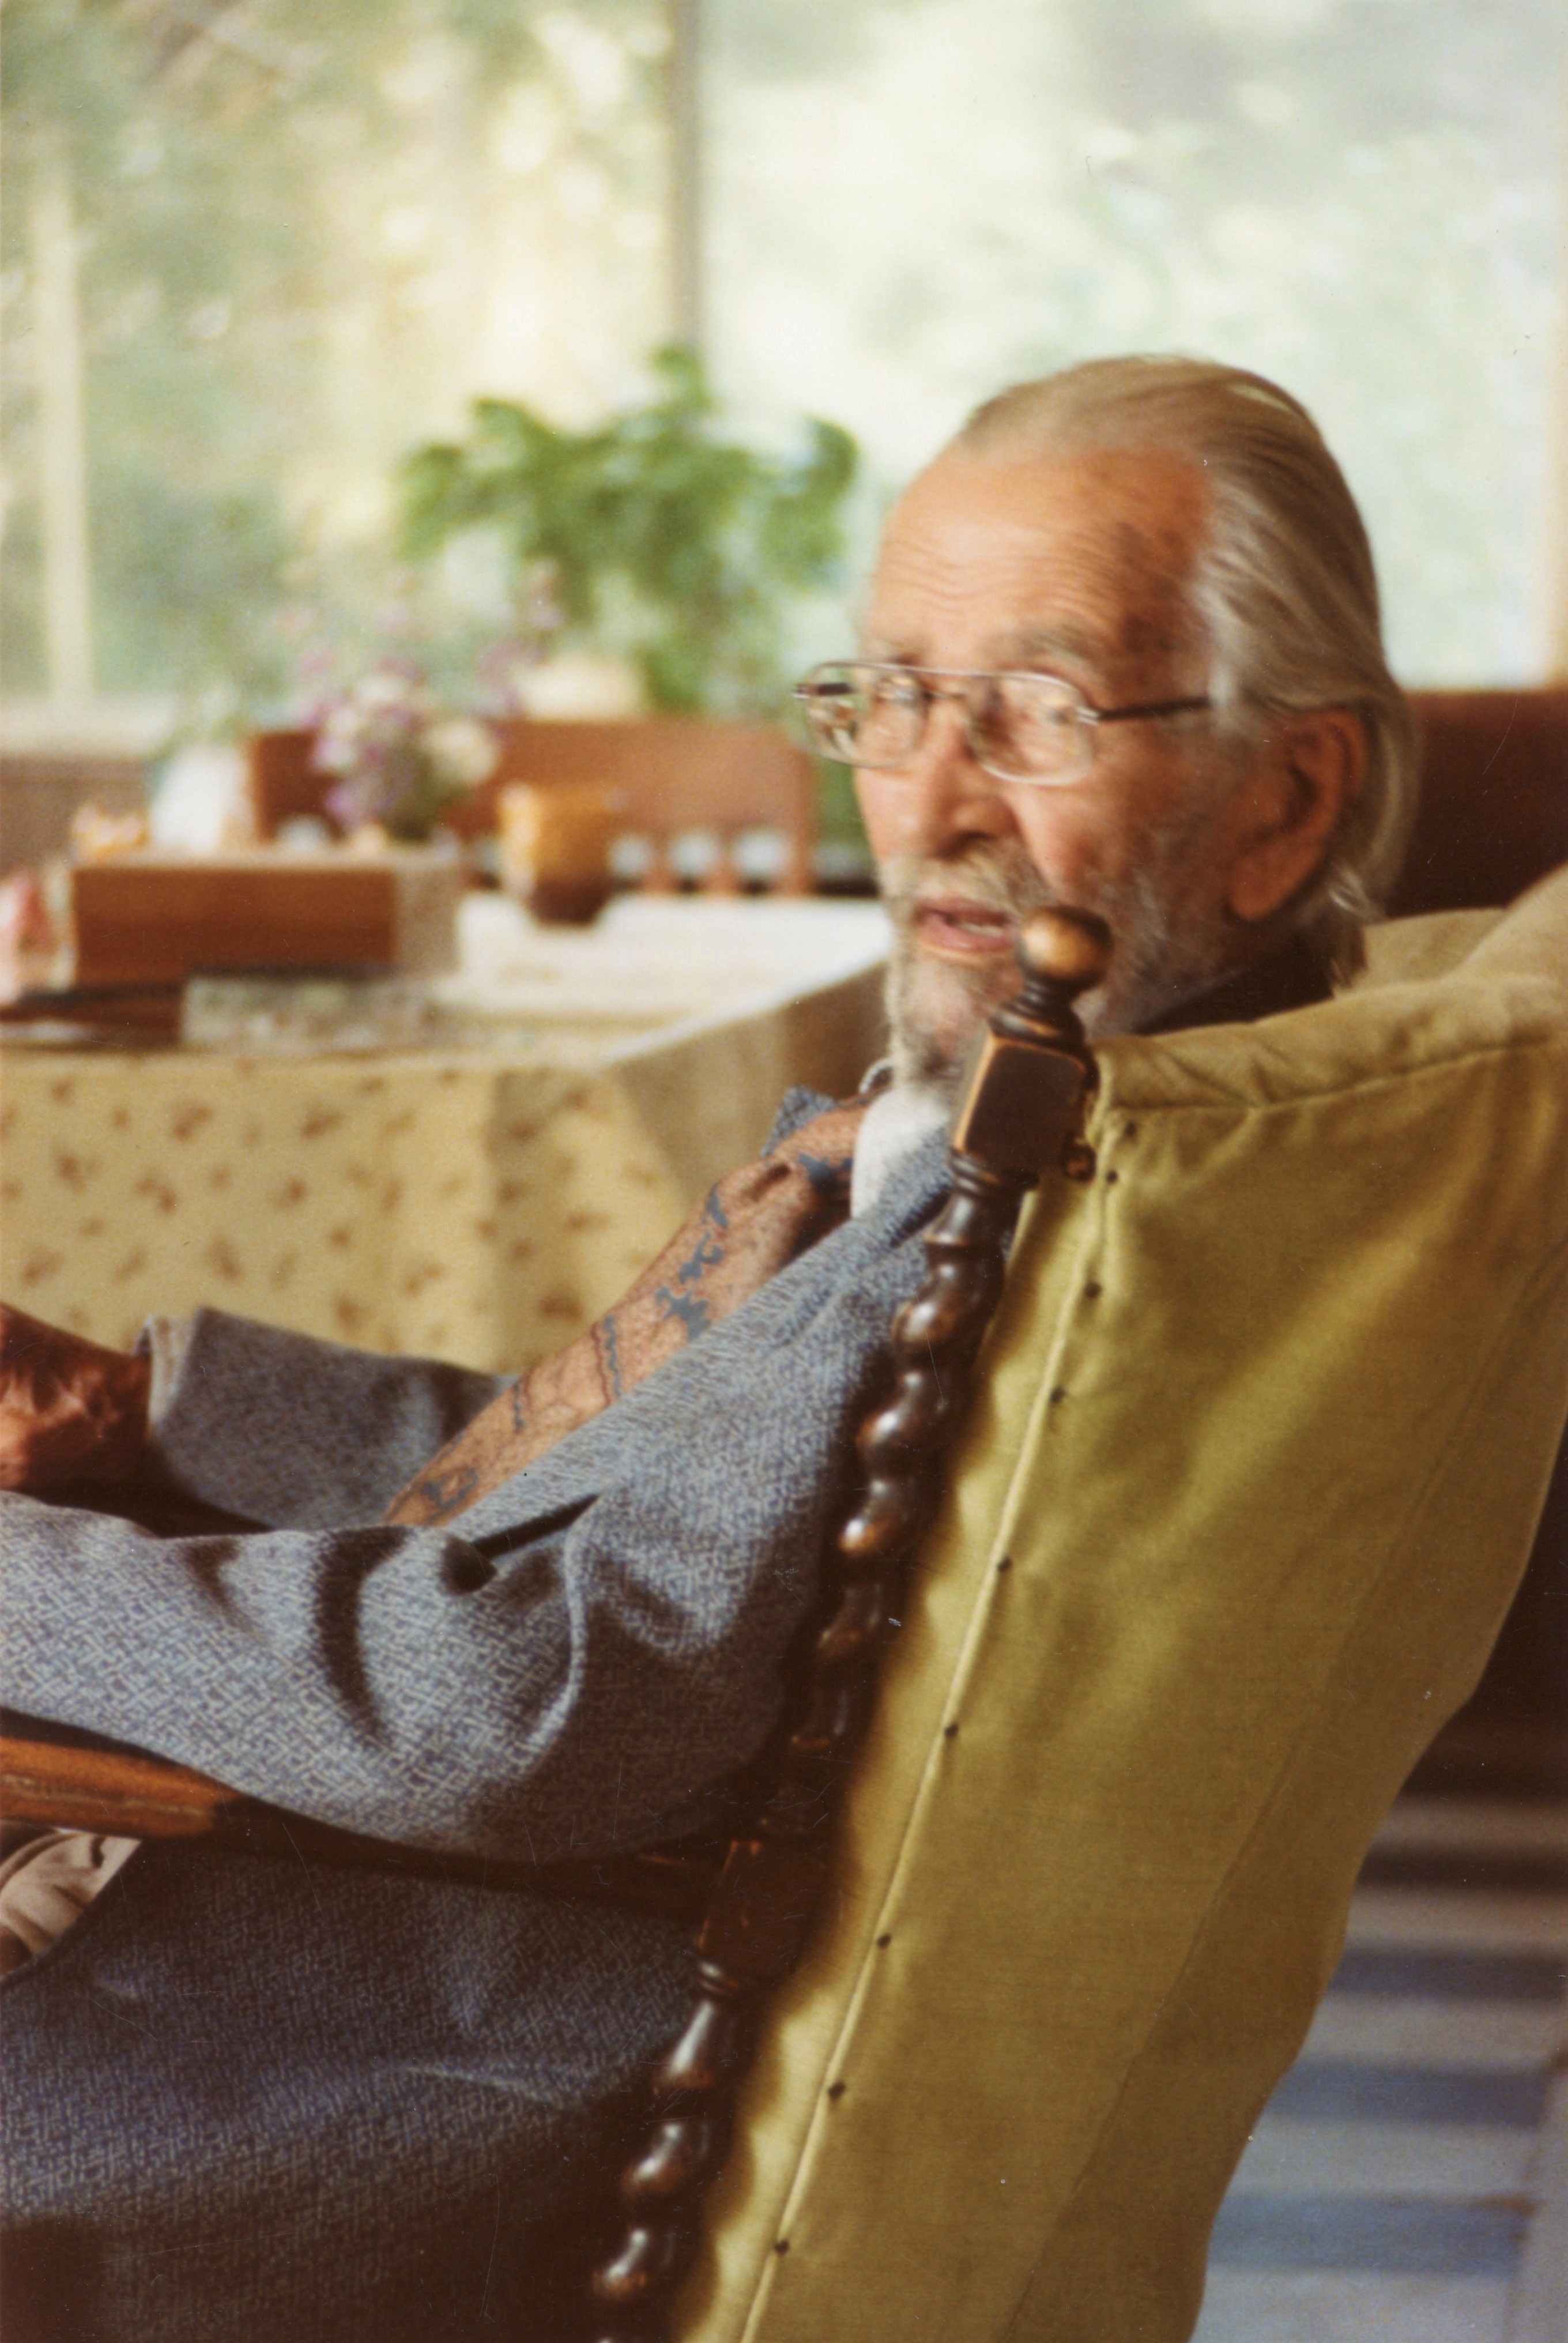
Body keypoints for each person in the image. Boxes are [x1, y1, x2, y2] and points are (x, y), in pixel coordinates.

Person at [1, 356, 1416, 2342]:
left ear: (1287, 797)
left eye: (1038, 708)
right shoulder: (1109, 1117)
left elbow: (529, 1697)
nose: (927, 796)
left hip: (379, 2060)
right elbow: (656, 1508)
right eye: (896, 695)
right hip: (408, 1971)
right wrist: (156, 1409)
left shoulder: (1063, 1183)